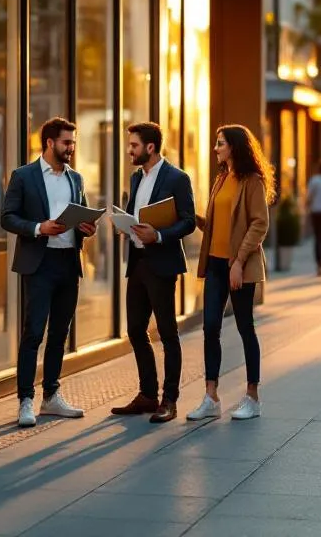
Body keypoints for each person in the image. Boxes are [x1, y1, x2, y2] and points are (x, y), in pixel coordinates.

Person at [1, 117, 97, 428]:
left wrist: (88, 227)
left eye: (73, 142)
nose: (71, 147)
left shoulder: (76, 179)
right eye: (66, 142)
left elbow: (81, 214)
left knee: (60, 334)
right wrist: (37, 227)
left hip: (68, 263)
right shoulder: (23, 176)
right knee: (33, 334)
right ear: (49, 143)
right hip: (39, 265)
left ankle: (51, 396)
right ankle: (25, 400)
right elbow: (7, 217)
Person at [187, 124, 274, 422]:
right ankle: (211, 396)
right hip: (215, 264)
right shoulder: (221, 179)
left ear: (234, 147)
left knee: (245, 328)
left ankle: (253, 396)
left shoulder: (252, 182)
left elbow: (259, 224)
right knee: (210, 326)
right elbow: (217, 224)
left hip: (239, 267)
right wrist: (193, 218)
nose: (215, 149)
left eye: (220, 143)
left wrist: (237, 261)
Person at [111, 122, 196, 424]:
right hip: (138, 263)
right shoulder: (136, 178)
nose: (129, 151)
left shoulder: (177, 178)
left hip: (162, 264)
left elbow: (188, 221)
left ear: (150, 147)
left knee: (168, 334)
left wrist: (157, 236)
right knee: (135, 329)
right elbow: (136, 213)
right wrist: (125, 225)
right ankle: (148, 394)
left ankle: (169, 400)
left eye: (133, 145)